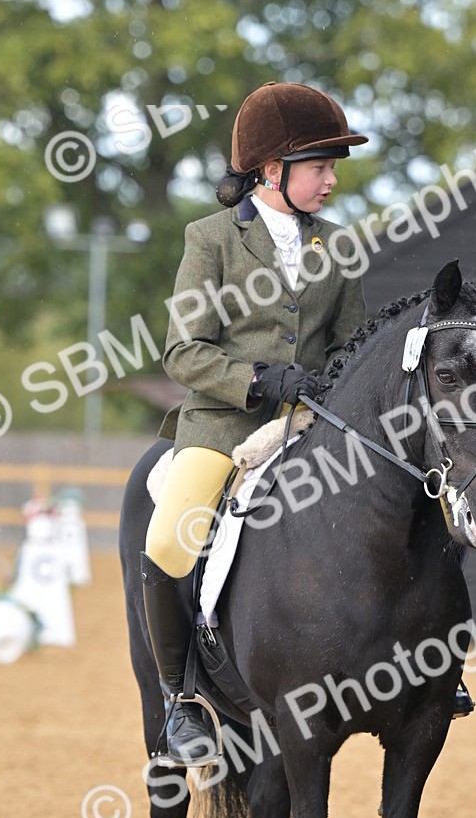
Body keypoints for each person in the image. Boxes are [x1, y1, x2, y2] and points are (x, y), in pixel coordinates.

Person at [142, 81, 368, 766]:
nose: (331, 180)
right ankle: (181, 699)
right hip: (222, 429)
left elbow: (352, 346)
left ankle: (424, 667)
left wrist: (325, 390)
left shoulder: (340, 246)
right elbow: (183, 351)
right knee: (171, 535)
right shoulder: (211, 240)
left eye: (333, 168)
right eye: (319, 167)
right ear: (274, 171)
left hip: (308, 427)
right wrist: (260, 381)